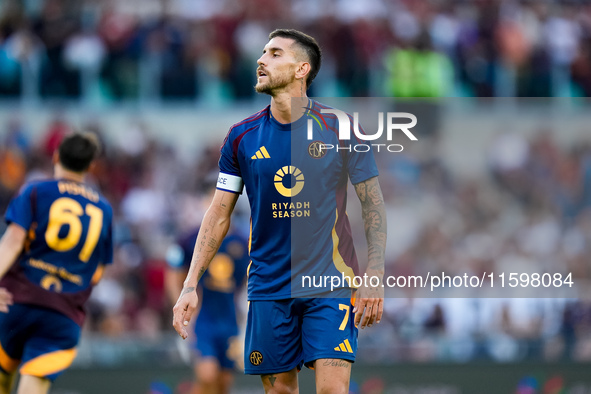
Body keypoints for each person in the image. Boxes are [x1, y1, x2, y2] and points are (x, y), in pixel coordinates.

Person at [173, 29, 386, 394]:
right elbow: (218, 214)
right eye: (262, 52)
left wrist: (376, 272)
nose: (260, 60)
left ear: (302, 68)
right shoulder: (241, 136)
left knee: (332, 391)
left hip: (330, 284)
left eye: (274, 53)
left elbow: (372, 204)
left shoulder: (342, 128)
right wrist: (190, 284)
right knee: (280, 391)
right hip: (269, 288)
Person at [0, 132, 113, 394]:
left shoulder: (36, 191)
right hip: (62, 313)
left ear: (56, 156)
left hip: (16, 301)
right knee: (34, 384)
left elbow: (12, 242)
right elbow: (98, 270)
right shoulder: (104, 208)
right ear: (90, 165)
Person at [165, 183, 249, 394]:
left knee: (223, 382)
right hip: (203, 320)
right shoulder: (189, 239)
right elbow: (173, 274)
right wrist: (181, 308)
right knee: (207, 375)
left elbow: (245, 282)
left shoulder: (242, 241)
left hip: (230, 320)